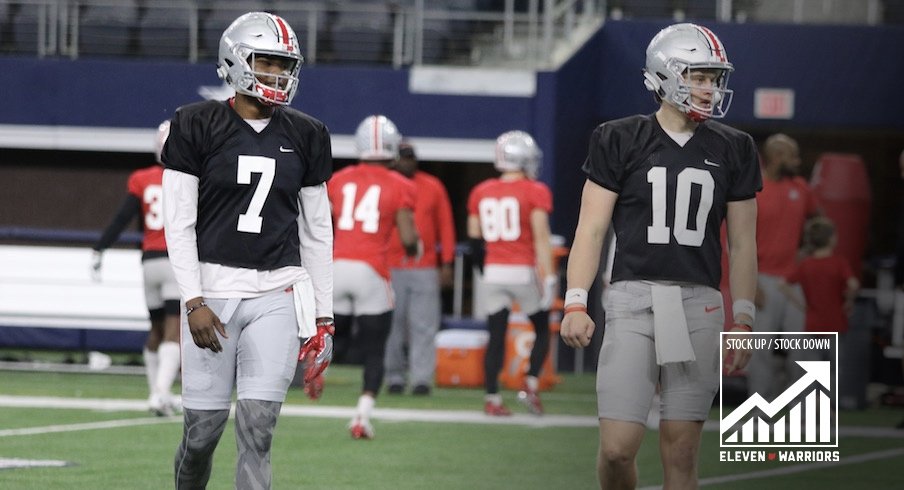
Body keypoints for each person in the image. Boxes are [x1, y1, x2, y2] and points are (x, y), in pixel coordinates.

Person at [559, 23, 760, 488]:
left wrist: (744, 317)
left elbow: (744, 243)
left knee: (683, 450)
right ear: (665, 75)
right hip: (632, 298)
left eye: (714, 78)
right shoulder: (619, 137)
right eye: (699, 76)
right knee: (616, 450)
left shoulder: (735, 147)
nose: (709, 89)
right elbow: (591, 229)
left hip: (699, 303)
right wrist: (574, 300)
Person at [161, 12, 334, 489]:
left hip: (276, 292)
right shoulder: (195, 123)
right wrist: (193, 300)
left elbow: (318, 233)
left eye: (284, 65)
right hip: (211, 294)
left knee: (258, 430)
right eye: (266, 62)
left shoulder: (308, 133)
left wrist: (323, 317)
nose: (277, 75)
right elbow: (178, 222)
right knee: (201, 435)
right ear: (235, 60)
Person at [327, 114, 419, 439]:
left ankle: (313, 370)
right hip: (371, 271)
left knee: (329, 336)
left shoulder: (338, 179)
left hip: (336, 267)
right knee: (375, 348)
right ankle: (362, 416)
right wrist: (414, 249)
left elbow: (322, 223)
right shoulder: (401, 185)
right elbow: (408, 239)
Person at [91, 120, 181, 417]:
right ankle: (160, 394)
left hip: (148, 262)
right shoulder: (189, 179)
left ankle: (156, 393)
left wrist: (100, 248)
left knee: (154, 330)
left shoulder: (142, 179)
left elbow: (122, 219)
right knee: (174, 331)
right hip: (174, 261)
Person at [466, 130, 557, 416]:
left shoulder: (481, 191)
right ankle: (530, 383)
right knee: (542, 328)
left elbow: (473, 238)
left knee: (496, 335)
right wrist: (550, 276)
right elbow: (542, 238)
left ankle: (492, 398)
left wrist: (486, 269)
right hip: (522, 271)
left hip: (493, 271)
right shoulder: (535, 190)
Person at [748, 133, 820, 400]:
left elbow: (821, 226)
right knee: (761, 350)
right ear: (777, 157)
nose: (798, 161)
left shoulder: (801, 189)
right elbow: (740, 241)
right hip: (763, 280)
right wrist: (751, 283)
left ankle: (808, 411)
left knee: (804, 349)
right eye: (793, 155)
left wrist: (806, 255)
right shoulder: (755, 191)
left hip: (793, 283)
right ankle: (759, 408)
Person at [384, 141, 457, 396]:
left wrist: (447, 262)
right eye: (403, 158)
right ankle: (394, 376)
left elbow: (445, 225)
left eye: (411, 158)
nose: (408, 162)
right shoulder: (386, 183)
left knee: (424, 324)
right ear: (394, 160)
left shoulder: (433, 186)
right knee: (392, 324)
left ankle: (422, 378)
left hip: (425, 266)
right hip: (389, 264)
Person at [780, 217, 859, 359]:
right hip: (836, 322)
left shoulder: (806, 265)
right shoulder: (839, 263)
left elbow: (783, 285)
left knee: (813, 370)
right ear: (831, 239)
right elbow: (853, 284)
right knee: (834, 370)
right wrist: (849, 301)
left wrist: (802, 305)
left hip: (813, 323)